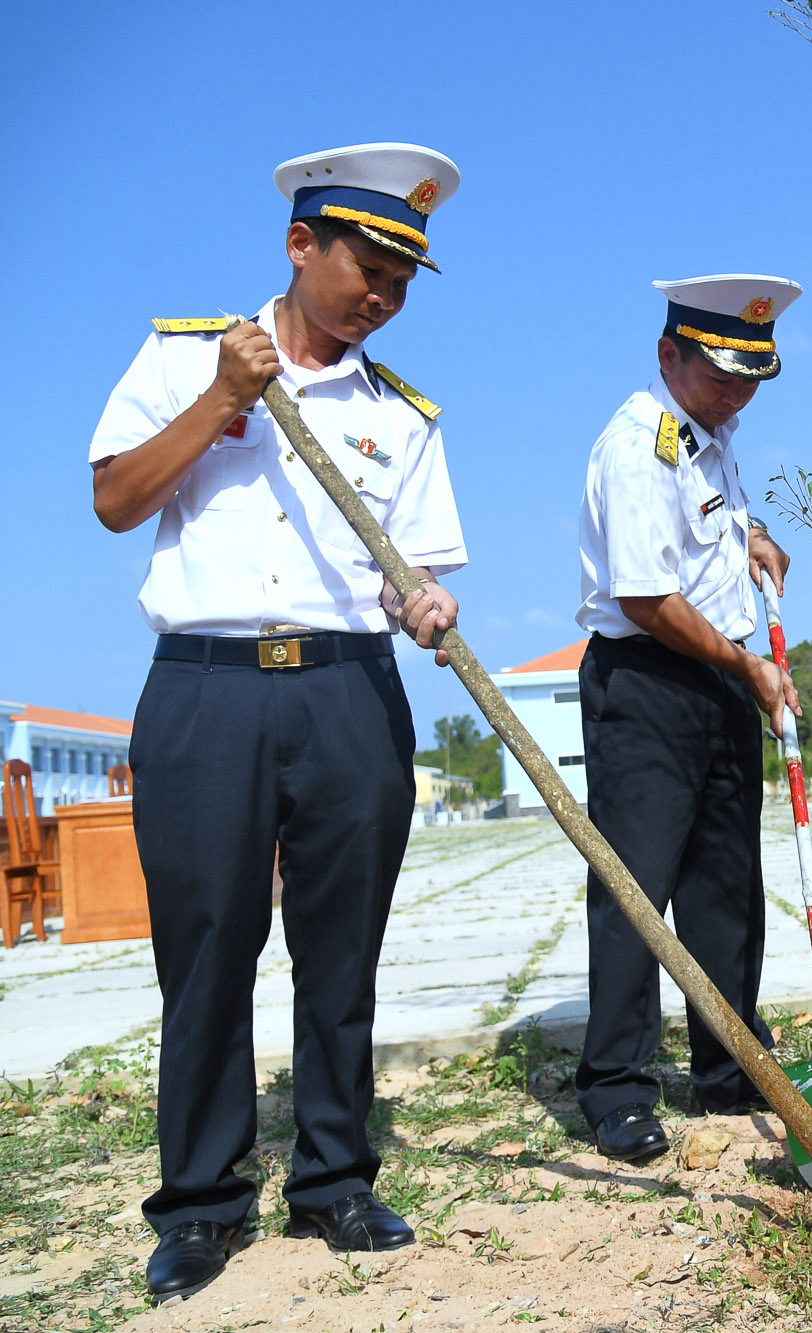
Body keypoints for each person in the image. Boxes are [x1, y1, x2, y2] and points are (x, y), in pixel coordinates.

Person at [89, 143, 469, 1297]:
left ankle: (334, 1179)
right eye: (369, 266)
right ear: (301, 244)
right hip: (203, 685)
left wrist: (427, 602)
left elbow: (423, 568)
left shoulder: (400, 415)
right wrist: (222, 400)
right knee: (206, 946)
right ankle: (200, 1204)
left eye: (405, 281)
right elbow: (113, 500)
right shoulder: (180, 356)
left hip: (349, 688)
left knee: (340, 944)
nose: (385, 299)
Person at [573, 274, 802, 1160]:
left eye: (751, 377)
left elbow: (702, 532)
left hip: (717, 678)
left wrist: (752, 537)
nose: (737, 392)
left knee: (725, 887)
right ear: (668, 354)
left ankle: (728, 1058)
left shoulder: (712, 435)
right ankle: (617, 1085)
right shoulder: (639, 446)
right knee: (636, 891)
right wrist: (744, 664)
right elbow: (645, 595)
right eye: (720, 375)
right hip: (649, 683)